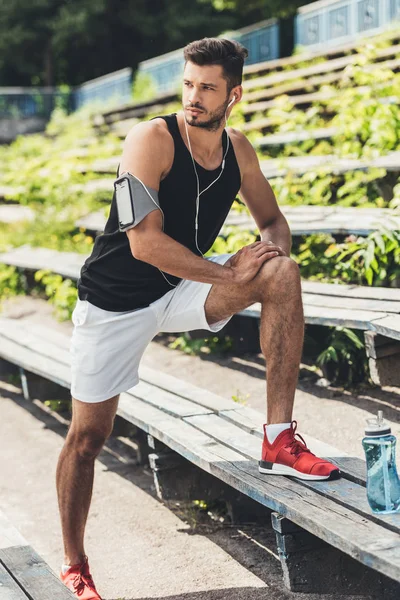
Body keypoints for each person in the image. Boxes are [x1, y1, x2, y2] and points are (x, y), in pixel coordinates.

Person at [57, 37, 340, 599]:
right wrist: (231, 275)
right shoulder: (150, 139)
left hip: (186, 284)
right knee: (89, 437)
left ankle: (279, 440)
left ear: (233, 94)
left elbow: (273, 221)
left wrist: (268, 256)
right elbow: (144, 244)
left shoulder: (239, 149)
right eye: (188, 84)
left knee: (282, 274)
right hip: (115, 302)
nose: (194, 96)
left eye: (208, 87)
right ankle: (75, 564)